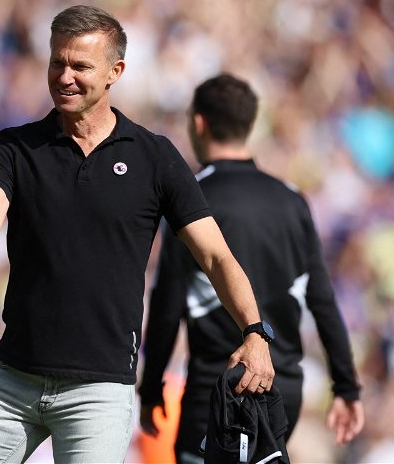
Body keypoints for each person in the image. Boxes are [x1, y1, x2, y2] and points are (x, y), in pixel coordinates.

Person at [0, 5, 274, 463]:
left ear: (115, 72)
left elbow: (216, 256)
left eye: (80, 66)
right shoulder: (17, 147)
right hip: (11, 381)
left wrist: (255, 332)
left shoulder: (154, 157)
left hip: (99, 391)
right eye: (57, 62)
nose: (64, 76)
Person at [139, 74, 364, 463]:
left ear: (199, 123)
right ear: (250, 125)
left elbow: (167, 302)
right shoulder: (292, 200)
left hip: (217, 386)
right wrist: (346, 386)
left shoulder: (190, 197)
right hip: (282, 387)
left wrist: (152, 385)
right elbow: (323, 302)